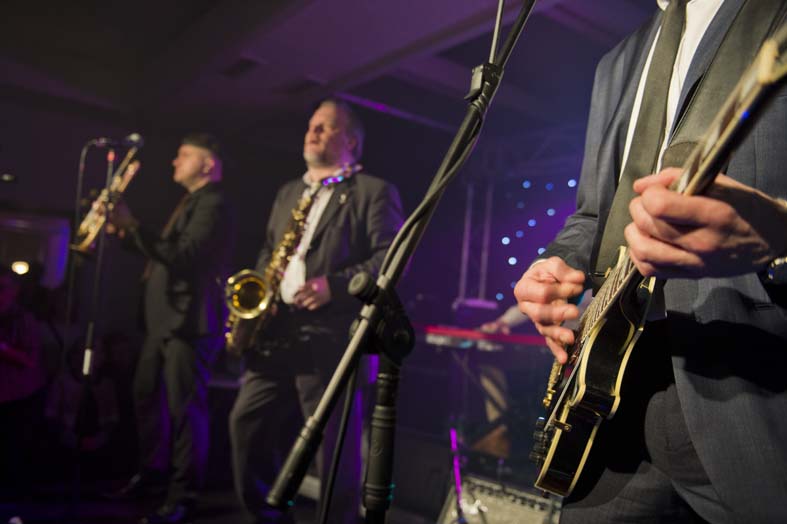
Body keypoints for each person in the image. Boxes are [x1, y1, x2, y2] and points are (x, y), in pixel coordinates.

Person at [514, 1, 787, 522]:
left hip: (759, 396)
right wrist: (556, 262)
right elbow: (592, 213)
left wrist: (778, 233)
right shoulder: (616, 62)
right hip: (610, 404)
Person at [229, 98, 403, 524]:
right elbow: (270, 248)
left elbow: (392, 259)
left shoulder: (373, 191)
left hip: (331, 335)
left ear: (351, 141)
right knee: (245, 423)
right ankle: (266, 517)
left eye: (326, 126)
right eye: (311, 125)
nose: (313, 132)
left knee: (334, 449)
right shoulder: (289, 191)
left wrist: (335, 287)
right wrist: (261, 288)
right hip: (277, 330)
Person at [106, 133, 234, 524]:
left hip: (188, 323)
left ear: (207, 164)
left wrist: (134, 226)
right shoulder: (192, 201)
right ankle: (152, 475)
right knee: (147, 398)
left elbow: (184, 256)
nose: (175, 162)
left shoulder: (213, 203)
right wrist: (127, 233)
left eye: (184, 155)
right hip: (164, 321)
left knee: (185, 410)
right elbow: (167, 253)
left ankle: (183, 495)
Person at [0, 266, 46, 516]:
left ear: (14, 291)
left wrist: (4, 348)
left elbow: (30, 360)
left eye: (2, 289)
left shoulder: (24, 320)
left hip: (18, 398)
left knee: (14, 455)